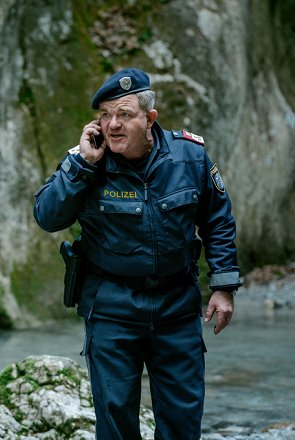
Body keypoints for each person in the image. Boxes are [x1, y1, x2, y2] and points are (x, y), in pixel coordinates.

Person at [33, 68, 241, 439]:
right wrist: (81, 166)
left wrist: (224, 287)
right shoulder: (86, 161)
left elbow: (218, 221)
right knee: (115, 419)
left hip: (177, 305)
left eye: (124, 114)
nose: (112, 124)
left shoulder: (189, 158)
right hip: (112, 306)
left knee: (182, 418)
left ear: (149, 119)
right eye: (105, 114)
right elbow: (47, 217)